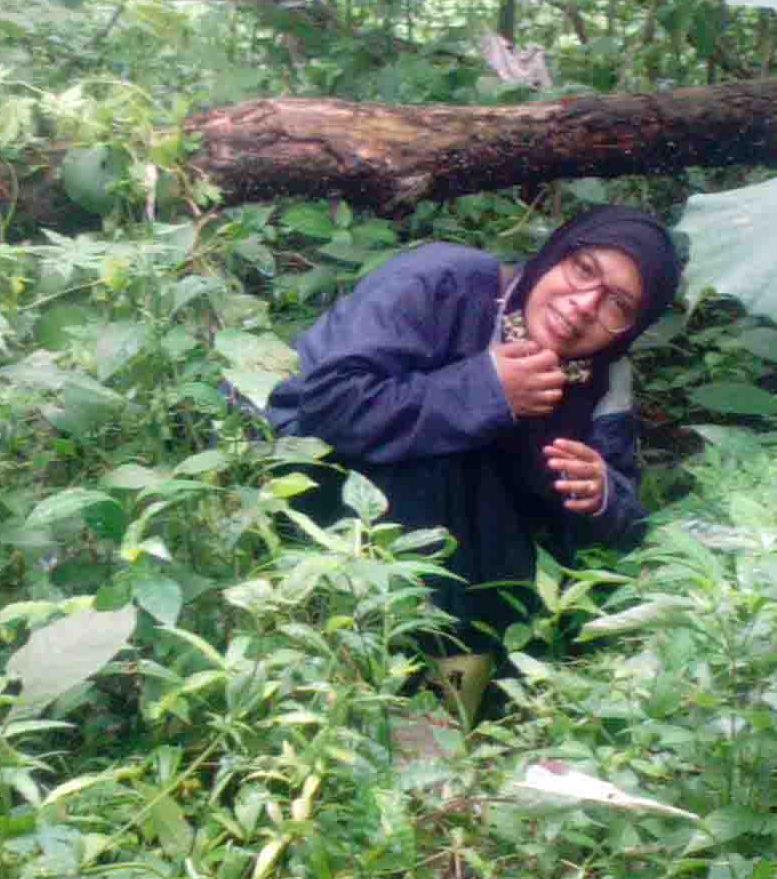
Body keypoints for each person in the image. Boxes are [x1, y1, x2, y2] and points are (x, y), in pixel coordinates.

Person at [264, 206, 680, 722]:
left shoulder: (603, 374)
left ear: (634, 326)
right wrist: (486, 389)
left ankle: (449, 706)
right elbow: (322, 405)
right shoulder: (444, 280)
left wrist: (602, 494)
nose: (582, 306)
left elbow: (621, 520)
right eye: (583, 270)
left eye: (617, 304)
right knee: (452, 456)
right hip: (312, 493)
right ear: (554, 253)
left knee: (494, 487)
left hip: (468, 559)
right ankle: (388, 689)